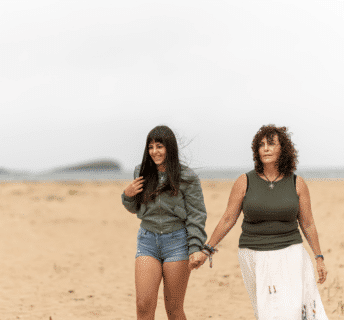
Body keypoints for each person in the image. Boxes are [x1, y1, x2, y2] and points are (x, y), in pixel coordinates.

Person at [192, 124, 329, 319]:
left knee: (292, 310)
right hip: (253, 255)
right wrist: (207, 249)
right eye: (261, 145)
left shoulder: (296, 183)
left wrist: (319, 257)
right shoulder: (244, 181)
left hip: (290, 253)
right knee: (268, 310)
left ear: (283, 149)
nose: (265, 148)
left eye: (271, 144)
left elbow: (307, 223)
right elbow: (228, 218)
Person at [121, 125, 208, 320]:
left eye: (159, 146)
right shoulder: (141, 172)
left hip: (177, 243)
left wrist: (195, 247)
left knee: (174, 309)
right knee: (143, 306)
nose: (154, 152)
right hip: (147, 241)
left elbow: (197, 215)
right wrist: (127, 195)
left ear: (170, 148)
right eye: (150, 147)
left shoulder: (187, 177)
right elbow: (135, 208)